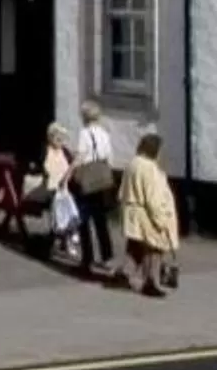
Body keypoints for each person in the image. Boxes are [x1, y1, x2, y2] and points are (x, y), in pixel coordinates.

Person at [119, 127, 181, 297]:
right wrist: (160, 219)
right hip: (146, 213)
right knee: (154, 248)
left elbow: (122, 191)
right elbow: (152, 197)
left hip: (132, 210)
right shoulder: (149, 169)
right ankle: (151, 281)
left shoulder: (132, 164)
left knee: (135, 246)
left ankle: (124, 273)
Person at [69, 99, 119, 275]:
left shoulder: (85, 133)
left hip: (87, 180)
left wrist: (69, 173)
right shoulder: (105, 134)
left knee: (83, 220)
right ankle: (107, 258)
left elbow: (81, 156)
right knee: (101, 221)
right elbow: (109, 157)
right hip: (102, 180)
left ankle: (87, 259)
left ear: (84, 116)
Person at [34, 121, 80, 263]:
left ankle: (67, 235)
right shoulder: (45, 150)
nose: (60, 142)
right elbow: (40, 167)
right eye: (57, 139)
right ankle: (66, 236)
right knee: (60, 205)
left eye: (62, 139)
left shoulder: (65, 152)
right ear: (50, 137)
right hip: (49, 190)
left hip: (64, 190)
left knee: (68, 204)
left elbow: (72, 168)